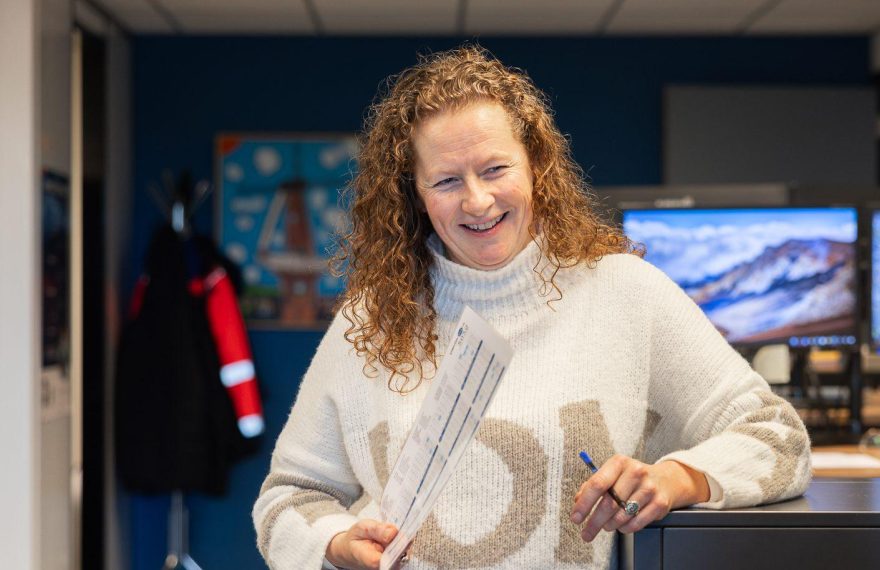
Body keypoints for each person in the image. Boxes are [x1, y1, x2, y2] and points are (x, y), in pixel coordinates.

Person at [251, 46, 811, 569]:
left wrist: (679, 477)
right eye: (446, 180)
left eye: (495, 169)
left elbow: (778, 438)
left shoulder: (624, 294)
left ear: (535, 165)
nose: (477, 200)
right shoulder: (371, 319)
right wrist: (332, 544)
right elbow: (286, 499)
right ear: (414, 195)